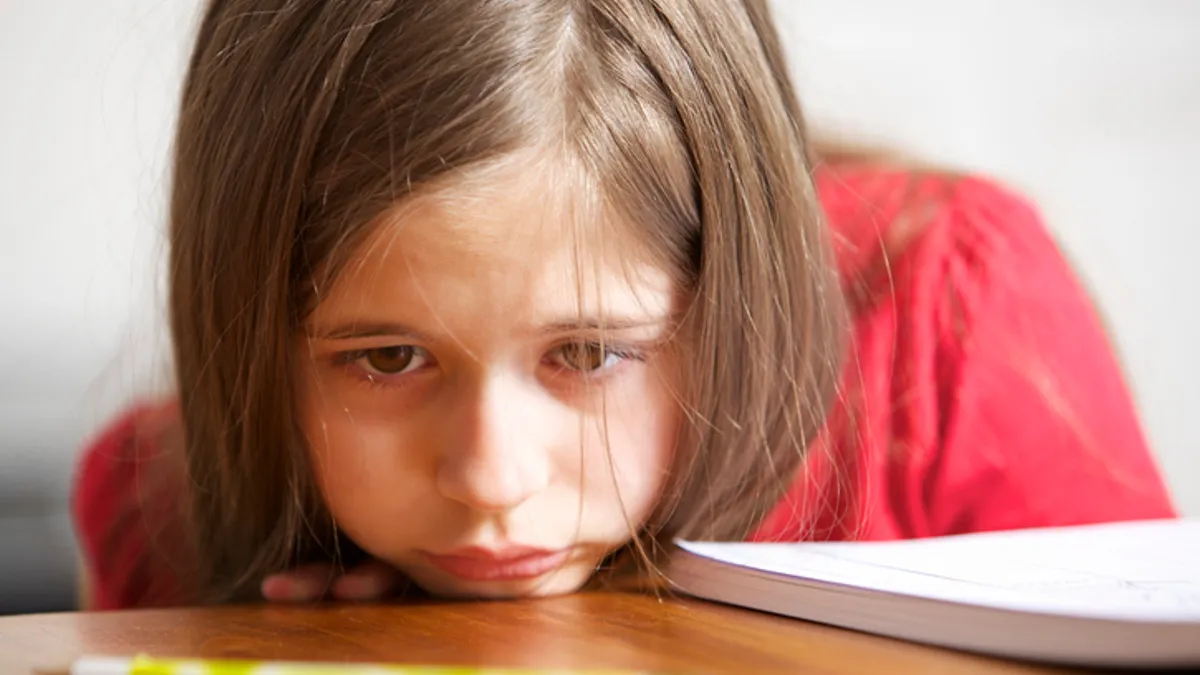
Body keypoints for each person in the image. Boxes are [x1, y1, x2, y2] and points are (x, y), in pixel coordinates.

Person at [71, 0, 1177, 611]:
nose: (494, 480)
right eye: (388, 359)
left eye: (591, 351)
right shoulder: (155, 517)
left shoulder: (951, 312)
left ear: (731, 287)